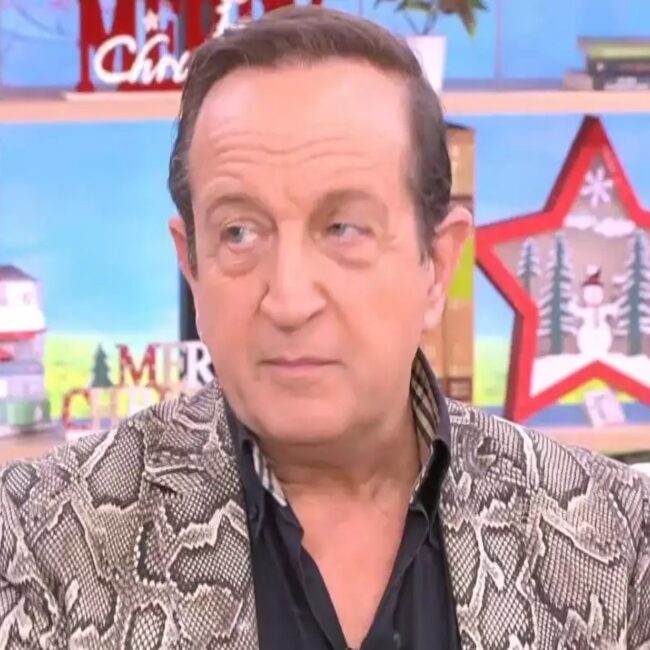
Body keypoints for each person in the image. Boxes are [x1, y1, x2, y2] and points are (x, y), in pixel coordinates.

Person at [1, 7, 649, 649]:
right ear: (191, 266)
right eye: (239, 233)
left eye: (343, 229)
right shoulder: (38, 535)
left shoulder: (616, 536)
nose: (289, 300)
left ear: (437, 266)